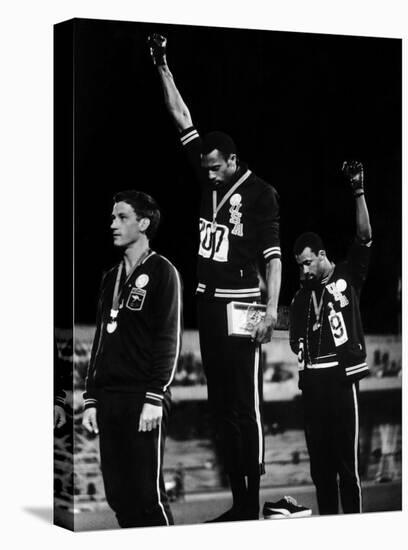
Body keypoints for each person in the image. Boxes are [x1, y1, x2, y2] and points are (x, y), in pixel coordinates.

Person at [148, 34, 282, 522]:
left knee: (246, 403)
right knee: (220, 403)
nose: (206, 175)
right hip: (208, 301)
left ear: (233, 163)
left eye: (213, 168)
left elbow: (274, 257)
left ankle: (251, 502)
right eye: (203, 168)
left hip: (244, 304)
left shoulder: (262, 194)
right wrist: (161, 62)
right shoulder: (207, 171)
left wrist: (270, 311)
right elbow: (181, 115)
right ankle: (236, 501)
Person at [82, 190, 183, 528]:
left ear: (143, 223)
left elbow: (169, 338)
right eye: (112, 217)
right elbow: (99, 340)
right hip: (109, 399)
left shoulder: (163, 272)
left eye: (121, 217)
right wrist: (91, 398)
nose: (112, 224)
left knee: (147, 495)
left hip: (144, 398)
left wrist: (155, 396)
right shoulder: (110, 278)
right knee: (119, 496)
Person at [289, 160, 372, 515]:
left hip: (341, 379)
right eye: (299, 265)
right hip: (312, 384)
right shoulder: (301, 295)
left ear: (322, 256)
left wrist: (358, 191)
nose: (303, 270)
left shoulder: (348, 274)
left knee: (346, 470)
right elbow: (287, 324)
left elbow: (364, 237)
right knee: (321, 472)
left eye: (308, 263)